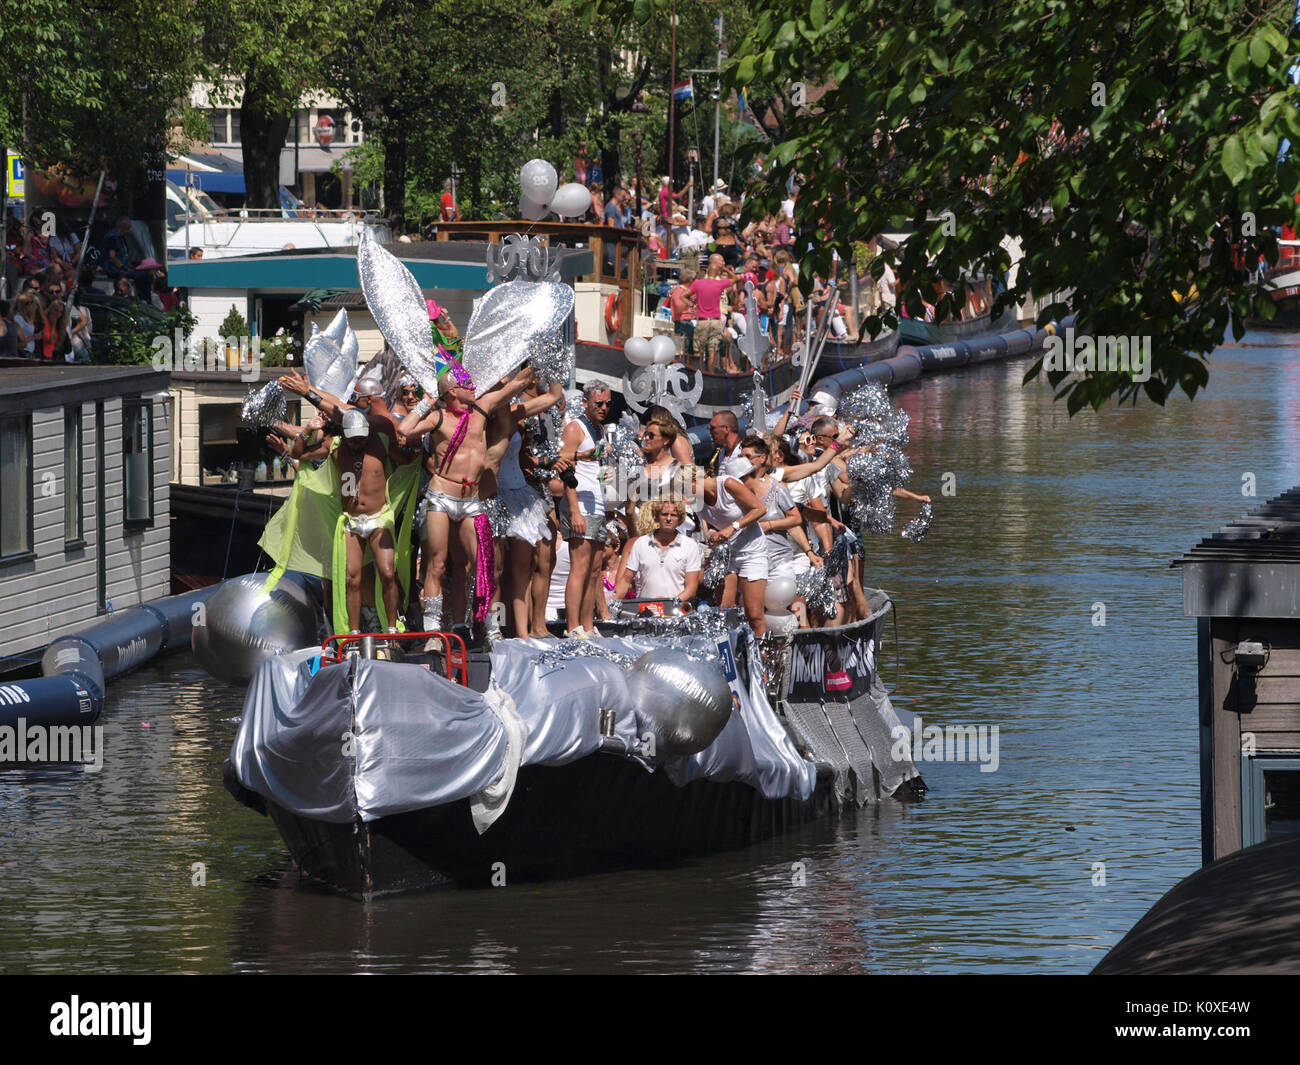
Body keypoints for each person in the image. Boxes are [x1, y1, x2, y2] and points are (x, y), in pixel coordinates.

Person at [399, 357, 530, 634]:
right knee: (437, 563)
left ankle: (489, 630)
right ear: (451, 391)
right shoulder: (437, 417)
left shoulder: (480, 410)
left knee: (485, 565)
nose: (473, 388)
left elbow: (517, 383)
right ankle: (434, 633)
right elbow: (404, 430)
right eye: (466, 384)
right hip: (441, 497)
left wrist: (534, 357)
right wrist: (426, 402)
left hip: (471, 500)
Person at [559, 382, 612, 636]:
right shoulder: (574, 428)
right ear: (585, 402)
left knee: (594, 569)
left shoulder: (600, 429)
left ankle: (587, 625)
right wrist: (574, 511)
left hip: (597, 502)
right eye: (598, 403)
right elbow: (565, 470)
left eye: (607, 404)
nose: (603, 408)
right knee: (579, 568)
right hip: (579, 503)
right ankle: (572, 626)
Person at [701, 455, 769, 635]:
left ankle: (764, 658)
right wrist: (713, 535)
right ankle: (731, 657)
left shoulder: (727, 484)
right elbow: (708, 528)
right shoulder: (694, 499)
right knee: (724, 610)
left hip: (752, 552)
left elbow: (761, 509)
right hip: (727, 554)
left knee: (754, 615)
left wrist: (733, 527)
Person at [615, 499, 702, 608]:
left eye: (673, 515)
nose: (669, 519)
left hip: (675, 612)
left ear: (680, 519)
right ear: (656, 517)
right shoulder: (641, 543)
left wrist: (668, 603)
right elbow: (626, 580)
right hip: (644, 612)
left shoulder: (690, 545)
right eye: (664, 514)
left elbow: (692, 588)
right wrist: (612, 603)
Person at [690, 254, 734, 374]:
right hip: (716, 318)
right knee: (711, 350)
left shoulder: (710, 281)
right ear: (714, 264)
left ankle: (702, 375)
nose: (724, 263)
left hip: (710, 319)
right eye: (722, 261)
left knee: (701, 349)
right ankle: (710, 374)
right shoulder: (715, 282)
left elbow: (687, 295)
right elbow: (735, 279)